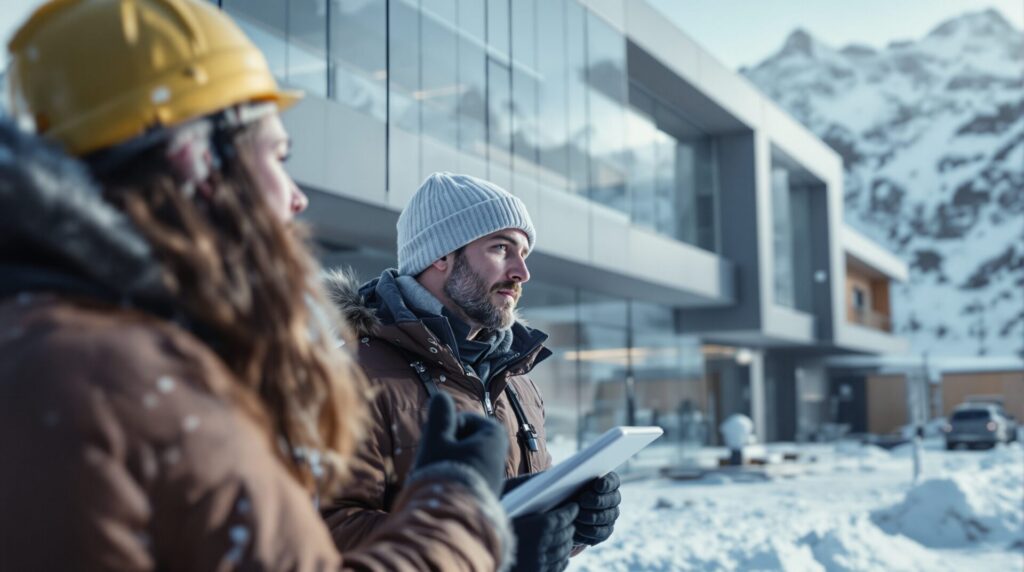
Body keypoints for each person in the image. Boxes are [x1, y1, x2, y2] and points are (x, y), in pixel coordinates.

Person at [0, 1, 513, 570]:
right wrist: (459, 516)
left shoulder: (72, 353)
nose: (297, 197)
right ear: (194, 160)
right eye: (277, 154)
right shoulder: (116, 380)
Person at [323, 172, 622, 570]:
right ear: (440, 256)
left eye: (524, 253)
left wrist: (573, 522)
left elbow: (527, 529)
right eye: (501, 248)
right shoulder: (351, 377)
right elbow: (327, 532)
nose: (521, 272)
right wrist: (483, 540)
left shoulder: (518, 382)